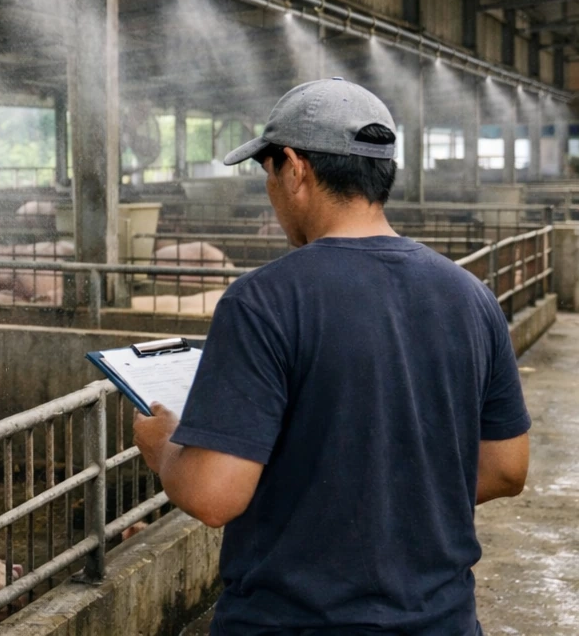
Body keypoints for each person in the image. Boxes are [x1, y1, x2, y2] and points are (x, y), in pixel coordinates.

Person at [133, 78, 529, 635]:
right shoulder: (470, 296)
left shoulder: (263, 301)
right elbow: (507, 469)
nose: (269, 189)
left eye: (267, 172)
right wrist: (392, 494)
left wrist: (165, 448)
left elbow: (213, 495)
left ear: (294, 168)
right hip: (441, 621)